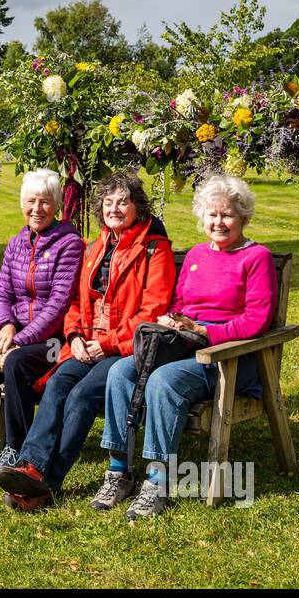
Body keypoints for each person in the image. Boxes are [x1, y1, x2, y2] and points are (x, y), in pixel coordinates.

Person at [94, 173, 277, 520]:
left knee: (164, 381)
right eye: (212, 214)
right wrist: (172, 320)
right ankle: (119, 471)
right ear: (202, 217)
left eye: (227, 214)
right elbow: (179, 302)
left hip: (228, 359)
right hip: (184, 343)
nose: (218, 222)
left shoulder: (257, 258)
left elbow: (257, 321)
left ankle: (157, 482)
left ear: (243, 217)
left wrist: (206, 333)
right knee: (120, 371)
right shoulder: (195, 255)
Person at [0, 172, 176, 511]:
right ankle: (30, 466)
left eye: (123, 202)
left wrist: (107, 344)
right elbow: (77, 303)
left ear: (137, 205)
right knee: (59, 383)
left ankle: (47, 483)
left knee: (80, 395)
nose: (115, 208)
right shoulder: (97, 248)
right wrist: (75, 334)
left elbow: (153, 313)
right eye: (108, 203)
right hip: (86, 344)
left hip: (125, 350)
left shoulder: (156, 249)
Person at [0, 169, 84, 476]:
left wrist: (18, 342)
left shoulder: (69, 243)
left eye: (45, 202)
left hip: (55, 343)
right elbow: (3, 293)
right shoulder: (16, 243)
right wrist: (7, 328)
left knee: (16, 363)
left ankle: (17, 447)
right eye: (31, 201)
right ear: (21, 204)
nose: (37, 209)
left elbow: (58, 305)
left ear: (57, 206)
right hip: (20, 336)